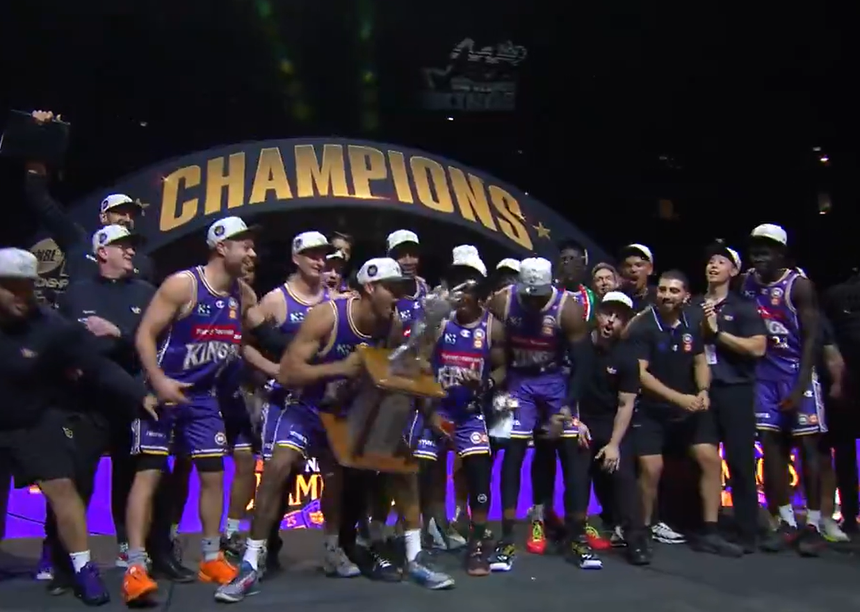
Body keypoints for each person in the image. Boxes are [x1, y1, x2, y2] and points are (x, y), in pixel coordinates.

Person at [215, 258, 455, 602]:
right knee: (278, 466)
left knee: (400, 463)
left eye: (402, 289)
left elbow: (386, 371)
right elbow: (287, 373)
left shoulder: (393, 323)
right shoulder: (328, 315)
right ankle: (252, 560)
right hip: (301, 405)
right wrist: (339, 368)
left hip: (344, 410)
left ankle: (408, 556)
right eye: (392, 288)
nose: (398, 296)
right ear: (370, 288)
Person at [0, 247, 157, 605]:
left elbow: (99, 366)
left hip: (33, 421)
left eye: (28, 287)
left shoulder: (51, 327)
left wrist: (141, 395)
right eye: (12, 288)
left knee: (64, 489)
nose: (23, 296)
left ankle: (84, 569)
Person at [121, 216, 261, 604]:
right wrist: (159, 381)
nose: (252, 252)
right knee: (149, 474)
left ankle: (211, 557)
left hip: (203, 397)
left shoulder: (242, 296)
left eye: (252, 245)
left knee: (214, 474)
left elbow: (251, 336)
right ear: (221, 247)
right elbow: (144, 334)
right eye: (244, 245)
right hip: (162, 390)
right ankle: (134, 566)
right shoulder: (183, 284)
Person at [248, 231, 360, 578]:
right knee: (278, 471)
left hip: (328, 403)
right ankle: (258, 551)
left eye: (323, 254)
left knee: (335, 475)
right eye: (311, 254)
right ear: (295, 258)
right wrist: (274, 370)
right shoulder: (276, 301)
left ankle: (332, 549)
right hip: (288, 401)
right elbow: (245, 345)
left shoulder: (338, 301)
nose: (319, 260)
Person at [485, 257, 594, 570]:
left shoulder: (567, 308)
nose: (532, 301)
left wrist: (566, 406)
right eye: (528, 294)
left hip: (555, 381)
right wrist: (497, 385)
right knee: (514, 453)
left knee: (572, 455)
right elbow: (492, 346)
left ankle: (576, 538)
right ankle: (506, 539)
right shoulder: (503, 301)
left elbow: (583, 362)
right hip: (518, 380)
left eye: (538, 295)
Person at [629, 269, 742, 557]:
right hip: (653, 409)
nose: (666, 295)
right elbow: (640, 375)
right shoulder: (644, 325)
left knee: (709, 459)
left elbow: (701, 360)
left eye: (673, 291)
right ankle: (640, 534)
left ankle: (710, 531)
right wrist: (679, 398)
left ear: (686, 295)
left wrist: (703, 391)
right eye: (663, 290)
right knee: (651, 469)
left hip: (691, 406)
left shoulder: (694, 319)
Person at [407, 245, 503, 576]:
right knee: (421, 469)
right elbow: (418, 365)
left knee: (479, 472)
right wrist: (428, 410)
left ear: (480, 292)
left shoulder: (493, 326)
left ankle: (477, 544)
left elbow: (505, 368)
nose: (461, 291)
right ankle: (419, 541)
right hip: (436, 408)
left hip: (470, 411)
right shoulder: (439, 321)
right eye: (456, 284)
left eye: (468, 284)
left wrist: (487, 383)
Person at [741, 224, 825, 555]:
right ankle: (786, 520)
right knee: (771, 446)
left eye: (766, 250)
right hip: (763, 376)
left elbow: (812, 337)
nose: (759, 257)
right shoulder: (746, 282)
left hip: (795, 372)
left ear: (781, 253)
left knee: (808, 448)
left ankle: (814, 524)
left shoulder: (799, 286)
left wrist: (803, 383)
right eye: (755, 251)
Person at [689, 244, 766, 552]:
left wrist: (718, 334)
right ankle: (708, 525)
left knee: (740, 461)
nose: (713, 265)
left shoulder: (744, 306)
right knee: (704, 456)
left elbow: (758, 348)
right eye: (710, 260)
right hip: (703, 392)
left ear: (733, 271)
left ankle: (748, 530)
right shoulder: (693, 304)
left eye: (721, 261)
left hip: (736, 390)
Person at [25, 110, 153, 284]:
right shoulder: (78, 240)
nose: (127, 218)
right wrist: (40, 138)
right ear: (103, 217)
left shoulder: (143, 263)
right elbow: (39, 198)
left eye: (131, 214)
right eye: (119, 212)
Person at [577, 291, 649, 564]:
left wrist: (614, 445)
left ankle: (636, 539)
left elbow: (625, 404)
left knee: (624, 476)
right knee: (578, 474)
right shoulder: (579, 346)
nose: (611, 321)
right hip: (580, 421)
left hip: (612, 425)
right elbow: (564, 388)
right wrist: (575, 421)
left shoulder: (627, 357)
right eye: (608, 314)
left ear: (626, 323)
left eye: (619, 318)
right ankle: (577, 535)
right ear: (598, 314)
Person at [619, 244, 657, 312]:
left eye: (638, 265)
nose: (633, 269)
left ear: (650, 269)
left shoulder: (658, 299)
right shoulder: (616, 297)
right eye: (628, 265)